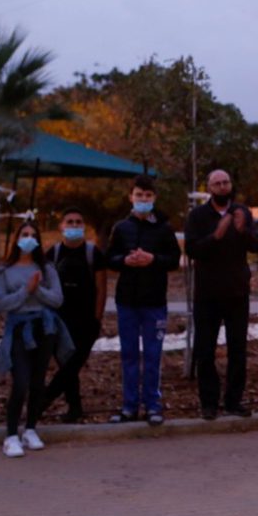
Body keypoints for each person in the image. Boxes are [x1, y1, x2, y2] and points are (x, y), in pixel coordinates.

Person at [184, 169, 258, 419]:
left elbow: (256, 245)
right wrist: (216, 236)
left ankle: (233, 401)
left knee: (237, 350)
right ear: (209, 188)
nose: (222, 187)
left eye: (226, 182)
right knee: (205, 351)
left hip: (237, 293)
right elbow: (192, 250)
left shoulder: (242, 212)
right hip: (207, 294)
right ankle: (209, 403)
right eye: (217, 183)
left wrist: (242, 230)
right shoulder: (197, 216)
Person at [106, 174, 182, 426]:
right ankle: (129, 406)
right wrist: (124, 261)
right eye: (139, 195)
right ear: (131, 197)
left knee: (152, 355)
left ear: (154, 198)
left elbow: (174, 259)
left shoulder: (164, 228)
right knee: (128, 354)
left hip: (154, 301)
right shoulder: (121, 227)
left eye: (148, 196)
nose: (143, 199)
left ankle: (153, 405)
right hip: (127, 300)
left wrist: (153, 259)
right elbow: (109, 258)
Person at [0, 221, 71, 458]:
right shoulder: (5, 271)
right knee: (21, 382)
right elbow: (1, 303)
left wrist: (37, 291)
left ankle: (30, 429)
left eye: (32, 235)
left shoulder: (46, 268)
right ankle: (10, 435)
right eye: (24, 234)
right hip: (19, 329)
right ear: (17, 239)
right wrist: (25, 291)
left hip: (44, 328)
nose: (28, 238)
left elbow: (57, 299)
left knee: (38, 382)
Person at [43, 207, 107, 423]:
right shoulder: (52, 253)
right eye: (69, 222)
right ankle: (74, 407)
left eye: (78, 222)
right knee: (66, 365)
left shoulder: (93, 253)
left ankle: (42, 401)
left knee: (73, 364)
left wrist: (97, 319)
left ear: (84, 227)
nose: (74, 225)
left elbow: (101, 288)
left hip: (86, 321)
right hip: (59, 320)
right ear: (61, 226)